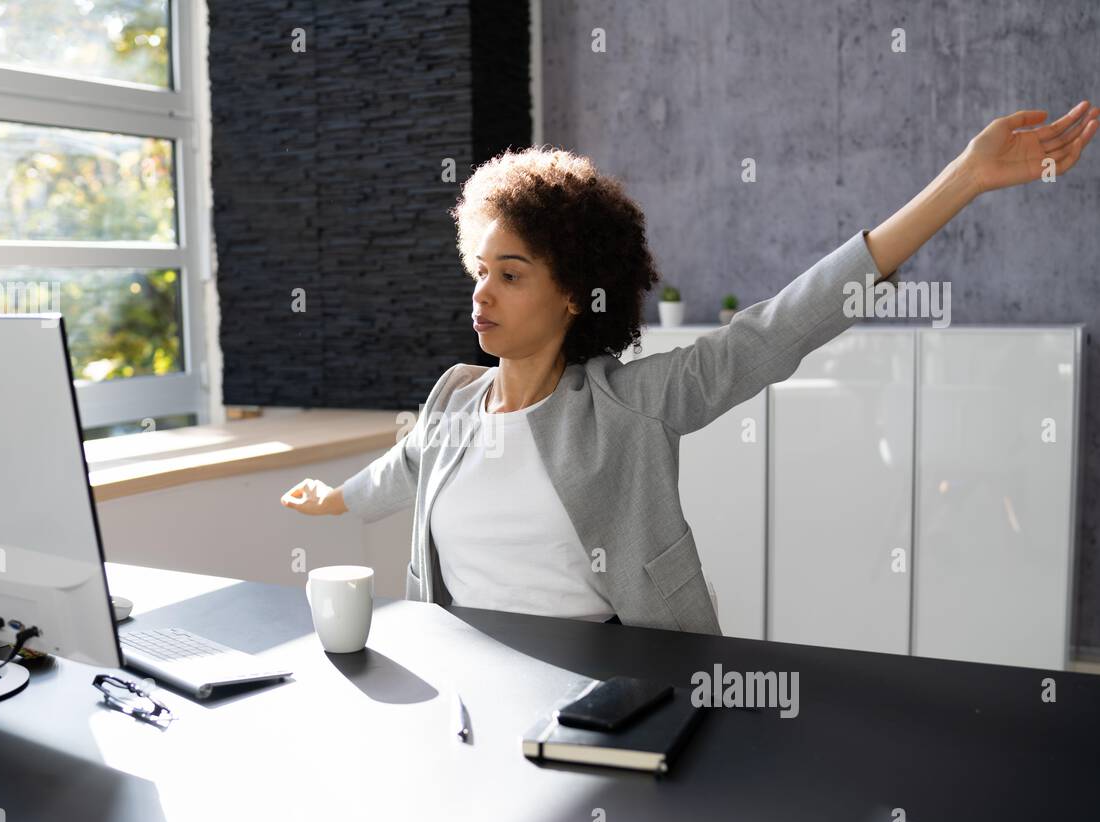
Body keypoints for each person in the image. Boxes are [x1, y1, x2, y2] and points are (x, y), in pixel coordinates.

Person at [281, 104, 1098, 634]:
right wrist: (337, 498)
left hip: (604, 688)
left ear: (574, 294)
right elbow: (408, 464)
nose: (482, 294)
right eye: (479, 272)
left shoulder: (627, 406)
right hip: (461, 687)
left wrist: (964, 180)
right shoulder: (454, 399)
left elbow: (775, 332)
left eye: (512, 273)